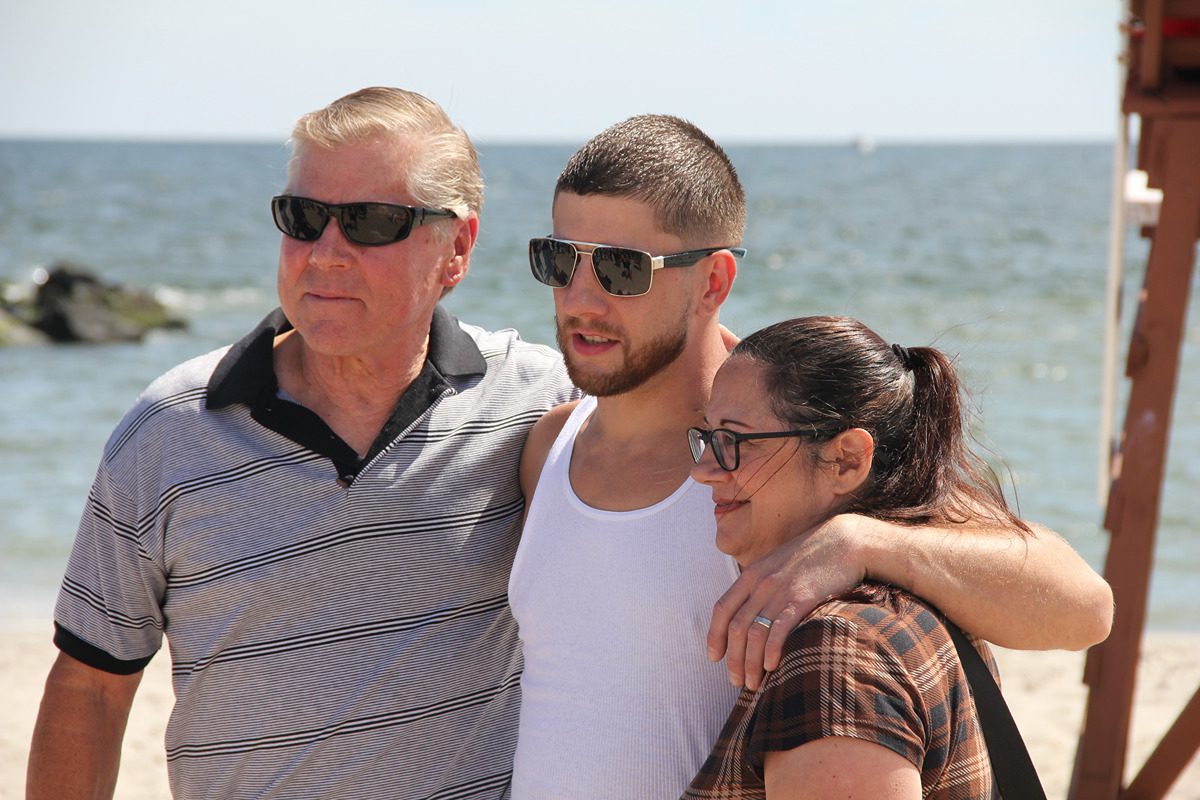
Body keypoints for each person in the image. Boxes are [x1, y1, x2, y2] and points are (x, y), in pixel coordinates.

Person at [510, 114, 1112, 798]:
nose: (579, 299)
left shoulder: (781, 456)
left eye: (621, 269)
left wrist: (863, 541)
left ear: (713, 281)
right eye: (559, 260)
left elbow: (1084, 607)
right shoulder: (547, 449)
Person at [26, 87, 579, 799]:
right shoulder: (166, 431)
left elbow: (688, 461)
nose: (325, 254)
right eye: (304, 218)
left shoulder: (541, 403)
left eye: (370, 222)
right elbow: (91, 688)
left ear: (458, 248)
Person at [685, 315, 1021, 798]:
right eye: (707, 437)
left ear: (846, 460)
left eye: (734, 441)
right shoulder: (929, 598)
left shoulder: (839, 658)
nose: (704, 470)